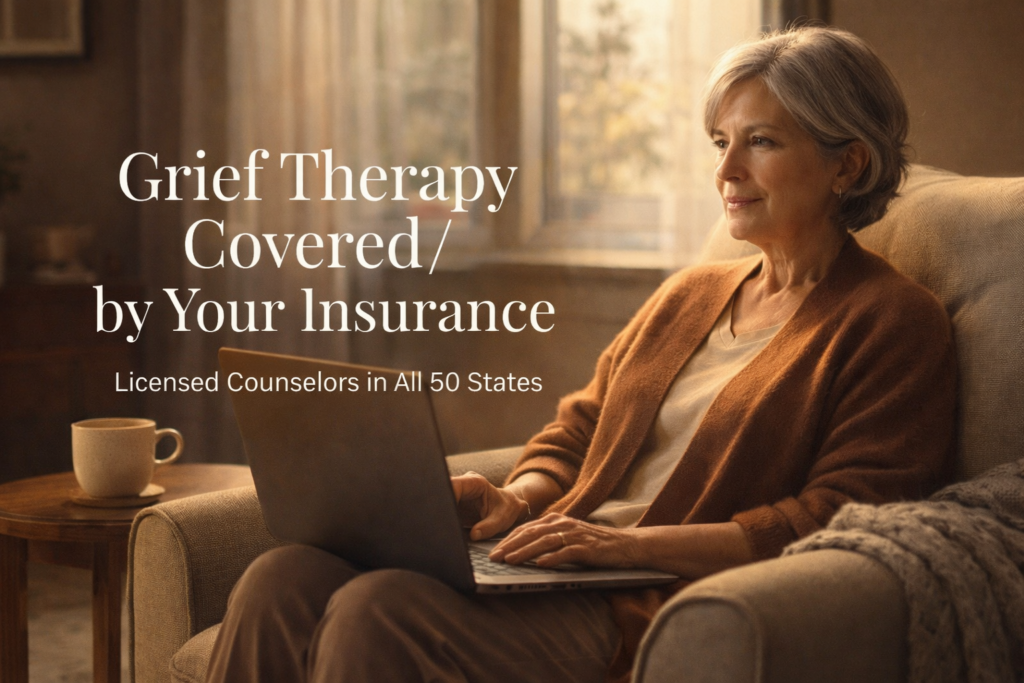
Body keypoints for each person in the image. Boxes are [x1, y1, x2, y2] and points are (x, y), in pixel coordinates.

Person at [205, 26, 956, 683]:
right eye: (721, 142)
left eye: (760, 141)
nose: (726, 171)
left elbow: (842, 523)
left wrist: (616, 545)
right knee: (282, 576)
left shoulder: (894, 322)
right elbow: (575, 432)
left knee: (381, 609)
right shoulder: (689, 294)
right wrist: (520, 497)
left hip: (644, 595)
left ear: (848, 165)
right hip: (554, 566)